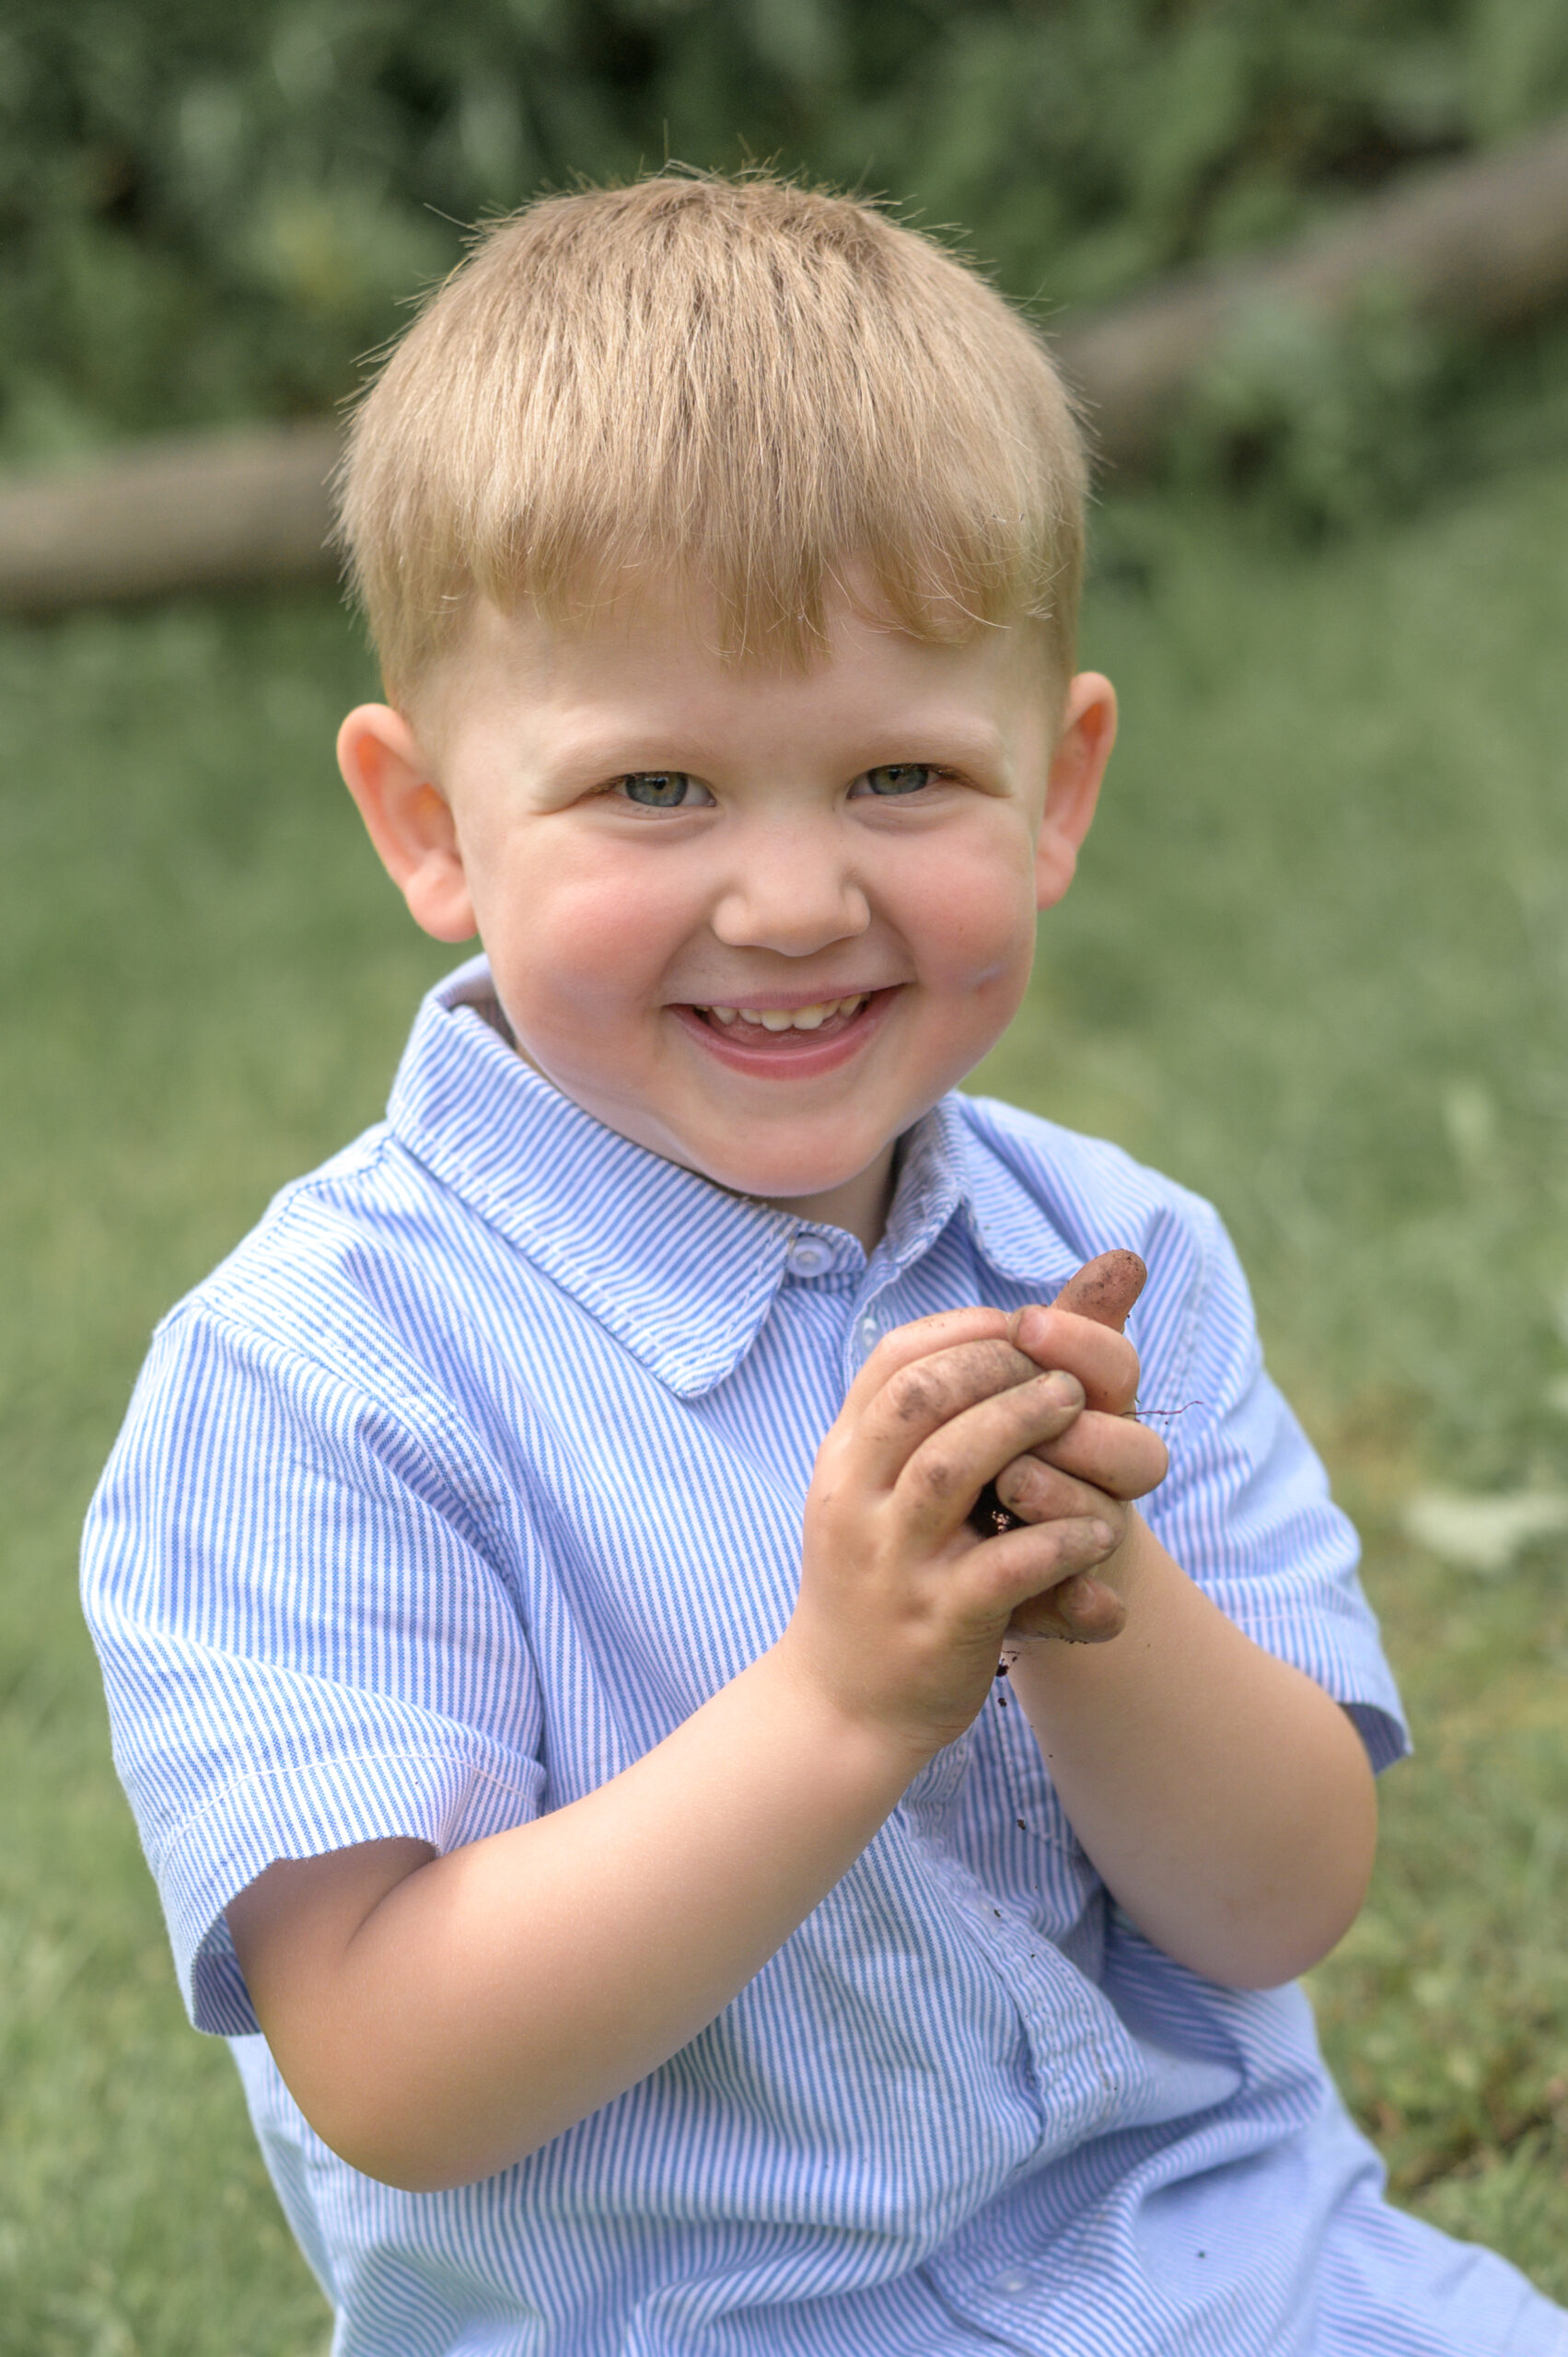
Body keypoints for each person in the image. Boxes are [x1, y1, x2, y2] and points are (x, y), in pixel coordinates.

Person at [81, 172, 1565, 2357]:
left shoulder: (1118, 1260)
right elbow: (392, 2067)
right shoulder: (315, 1380)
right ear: (427, 826)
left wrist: (1104, 1607)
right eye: (657, 787)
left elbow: (1275, 1900)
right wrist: (841, 1696)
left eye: (897, 773)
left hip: (1235, 2273)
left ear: (1057, 789)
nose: (789, 897)